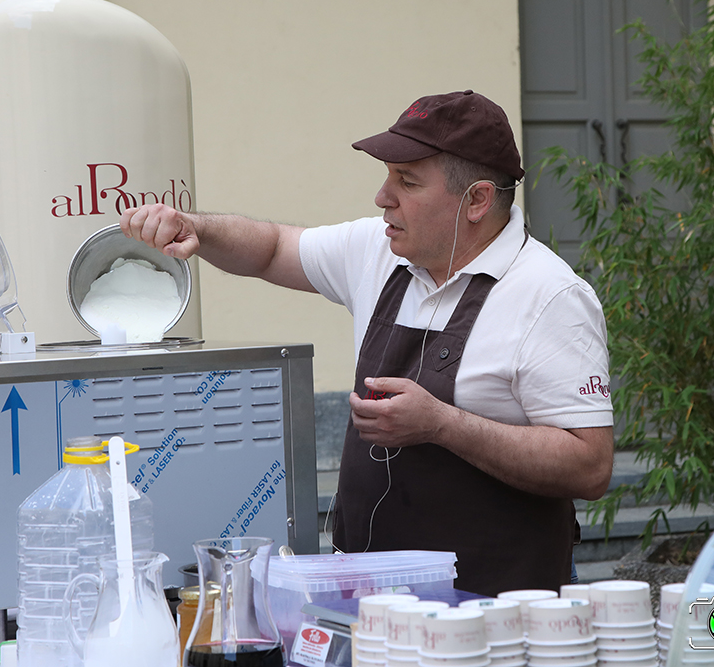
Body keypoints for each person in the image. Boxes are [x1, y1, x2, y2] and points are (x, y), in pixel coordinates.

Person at [120, 90, 613, 595]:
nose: (383, 196)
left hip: (498, 609)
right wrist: (194, 227)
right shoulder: (379, 253)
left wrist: (442, 425)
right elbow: (271, 249)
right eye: (388, 176)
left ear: (478, 200)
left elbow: (590, 466)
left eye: (408, 181)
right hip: (373, 601)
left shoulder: (550, 296)